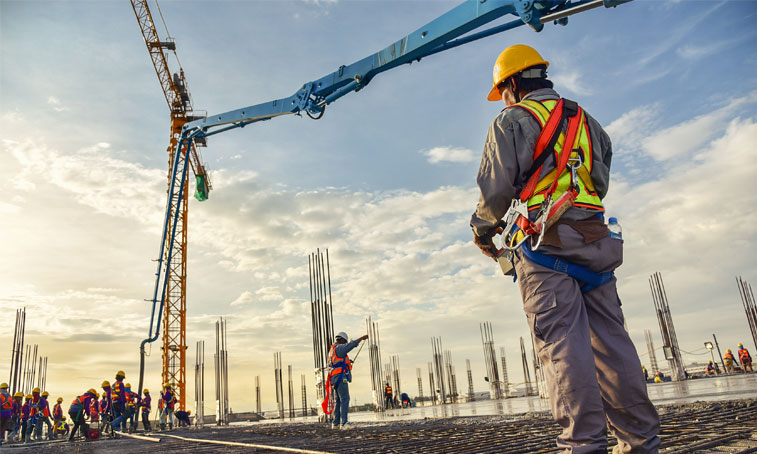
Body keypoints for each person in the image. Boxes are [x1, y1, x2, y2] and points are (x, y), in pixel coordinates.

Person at [470, 44, 660, 453]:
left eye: (501, 90)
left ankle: (584, 447)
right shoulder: (589, 122)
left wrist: (483, 232)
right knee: (614, 349)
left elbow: (496, 190)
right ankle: (642, 443)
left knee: (563, 353)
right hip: (597, 245)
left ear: (512, 83)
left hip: (544, 248)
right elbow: (599, 182)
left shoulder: (511, 120)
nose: (501, 98)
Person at [327, 331, 368, 430]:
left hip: (334, 378)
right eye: (345, 342)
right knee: (345, 399)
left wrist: (348, 362)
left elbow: (337, 362)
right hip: (340, 377)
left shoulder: (332, 350)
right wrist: (362, 338)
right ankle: (344, 423)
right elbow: (351, 345)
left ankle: (336, 423)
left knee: (339, 400)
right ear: (341, 340)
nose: (345, 344)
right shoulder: (340, 348)